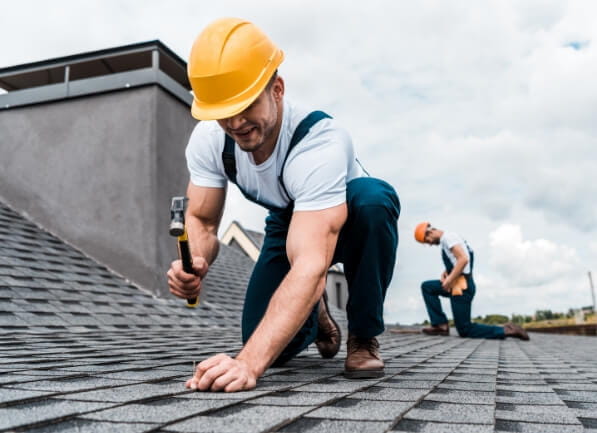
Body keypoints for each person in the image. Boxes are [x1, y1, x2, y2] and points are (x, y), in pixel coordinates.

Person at [167, 17, 400, 392]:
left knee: (375, 201)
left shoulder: (319, 142)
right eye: (224, 111)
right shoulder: (210, 141)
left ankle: (363, 335)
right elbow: (201, 220)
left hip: (347, 208)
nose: (236, 122)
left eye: (246, 105)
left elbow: (310, 262)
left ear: (277, 89)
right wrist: (195, 263)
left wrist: (247, 364)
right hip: (288, 218)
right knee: (263, 335)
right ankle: (317, 313)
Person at [414, 222, 529, 340]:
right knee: (428, 287)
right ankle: (440, 325)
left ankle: (506, 330)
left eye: (427, 241)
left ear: (430, 232)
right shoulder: (449, 239)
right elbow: (458, 259)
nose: (430, 244)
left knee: (465, 329)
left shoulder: (448, 238)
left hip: (462, 288)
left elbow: (463, 259)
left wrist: (448, 280)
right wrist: (447, 272)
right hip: (457, 284)